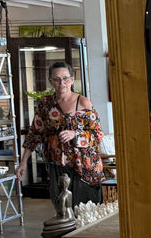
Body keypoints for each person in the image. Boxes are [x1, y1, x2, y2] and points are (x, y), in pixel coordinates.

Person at [16, 61, 104, 209]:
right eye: (56, 79)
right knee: (62, 209)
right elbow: (34, 135)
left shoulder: (82, 102)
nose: (61, 83)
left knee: (86, 211)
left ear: (71, 79)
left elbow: (98, 134)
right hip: (57, 165)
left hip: (84, 166)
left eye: (65, 78)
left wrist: (75, 134)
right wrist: (23, 161)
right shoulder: (45, 105)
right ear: (50, 81)